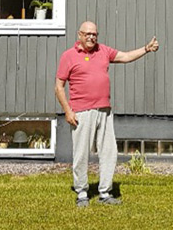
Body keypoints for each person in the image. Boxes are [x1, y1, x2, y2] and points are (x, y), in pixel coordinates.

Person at [55, 20, 159, 207]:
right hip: (82, 112)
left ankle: (105, 193)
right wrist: (67, 111)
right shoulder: (68, 56)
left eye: (94, 34)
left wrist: (146, 48)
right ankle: (82, 193)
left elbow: (125, 56)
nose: (91, 37)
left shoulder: (103, 51)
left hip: (105, 110)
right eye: (87, 34)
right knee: (81, 154)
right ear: (79, 34)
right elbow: (59, 87)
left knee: (109, 152)